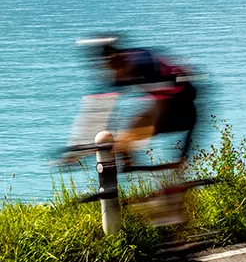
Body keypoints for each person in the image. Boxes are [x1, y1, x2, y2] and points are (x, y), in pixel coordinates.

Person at [76, 35, 198, 167]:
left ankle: (136, 166)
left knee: (133, 133)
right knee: (129, 133)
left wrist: (125, 142)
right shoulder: (125, 64)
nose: (113, 75)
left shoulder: (143, 68)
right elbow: (106, 103)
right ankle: (130, 165)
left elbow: (161, 109)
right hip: (171, 98)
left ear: (116, 59)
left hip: (182, 108)